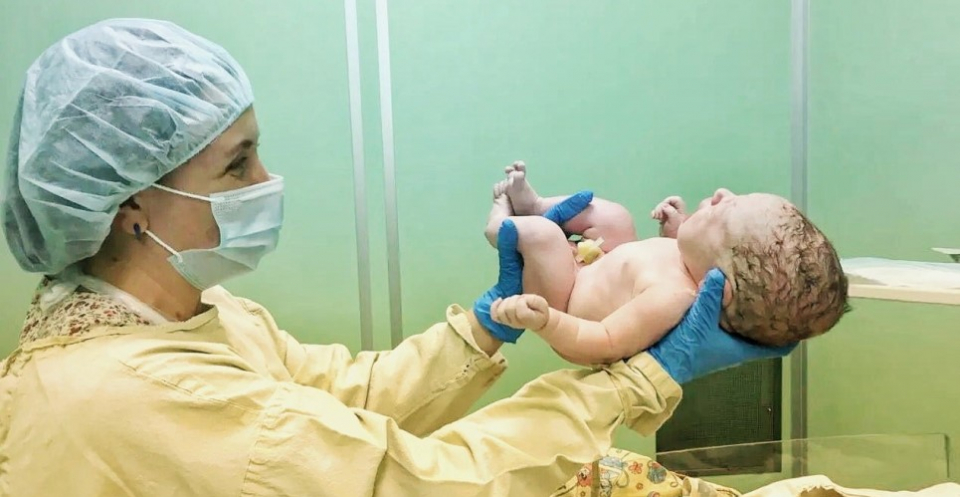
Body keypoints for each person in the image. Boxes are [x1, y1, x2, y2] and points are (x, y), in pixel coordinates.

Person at [0, 18, 794, 496]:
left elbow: (353, 397)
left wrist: (483, 328)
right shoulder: (134, 398)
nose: (268, 182)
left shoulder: (193, 317)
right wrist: (632, 379)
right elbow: (421, 481)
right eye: (238, 165)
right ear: (130, 205)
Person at [485, 162, 848, 365]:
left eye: (722, 213)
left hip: (569, 299)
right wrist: (679, 231)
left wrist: (547, 321)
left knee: (543, 235)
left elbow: (605, 340)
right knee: (615, 218)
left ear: (718, 286)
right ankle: (534, 205)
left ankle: (501, 225)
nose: (722, 193)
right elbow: (674, 256)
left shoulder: (671, 298)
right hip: (602, 265)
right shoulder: (695, 269)